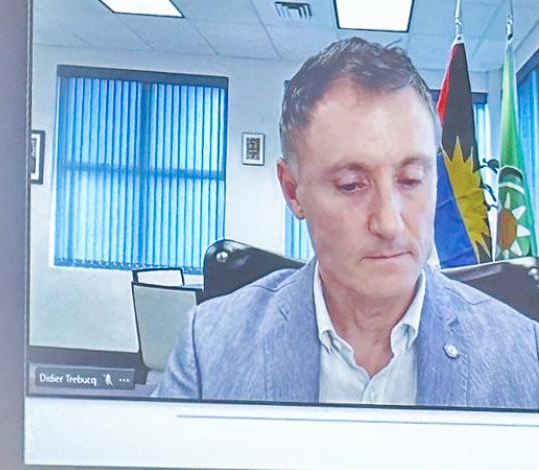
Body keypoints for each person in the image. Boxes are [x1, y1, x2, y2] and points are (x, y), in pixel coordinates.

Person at [155, 37, 539, 409]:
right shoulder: (208, 348)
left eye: (410, 180)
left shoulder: (523, 353)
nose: (389, 223)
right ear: (293, 190)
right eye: (351, 185)